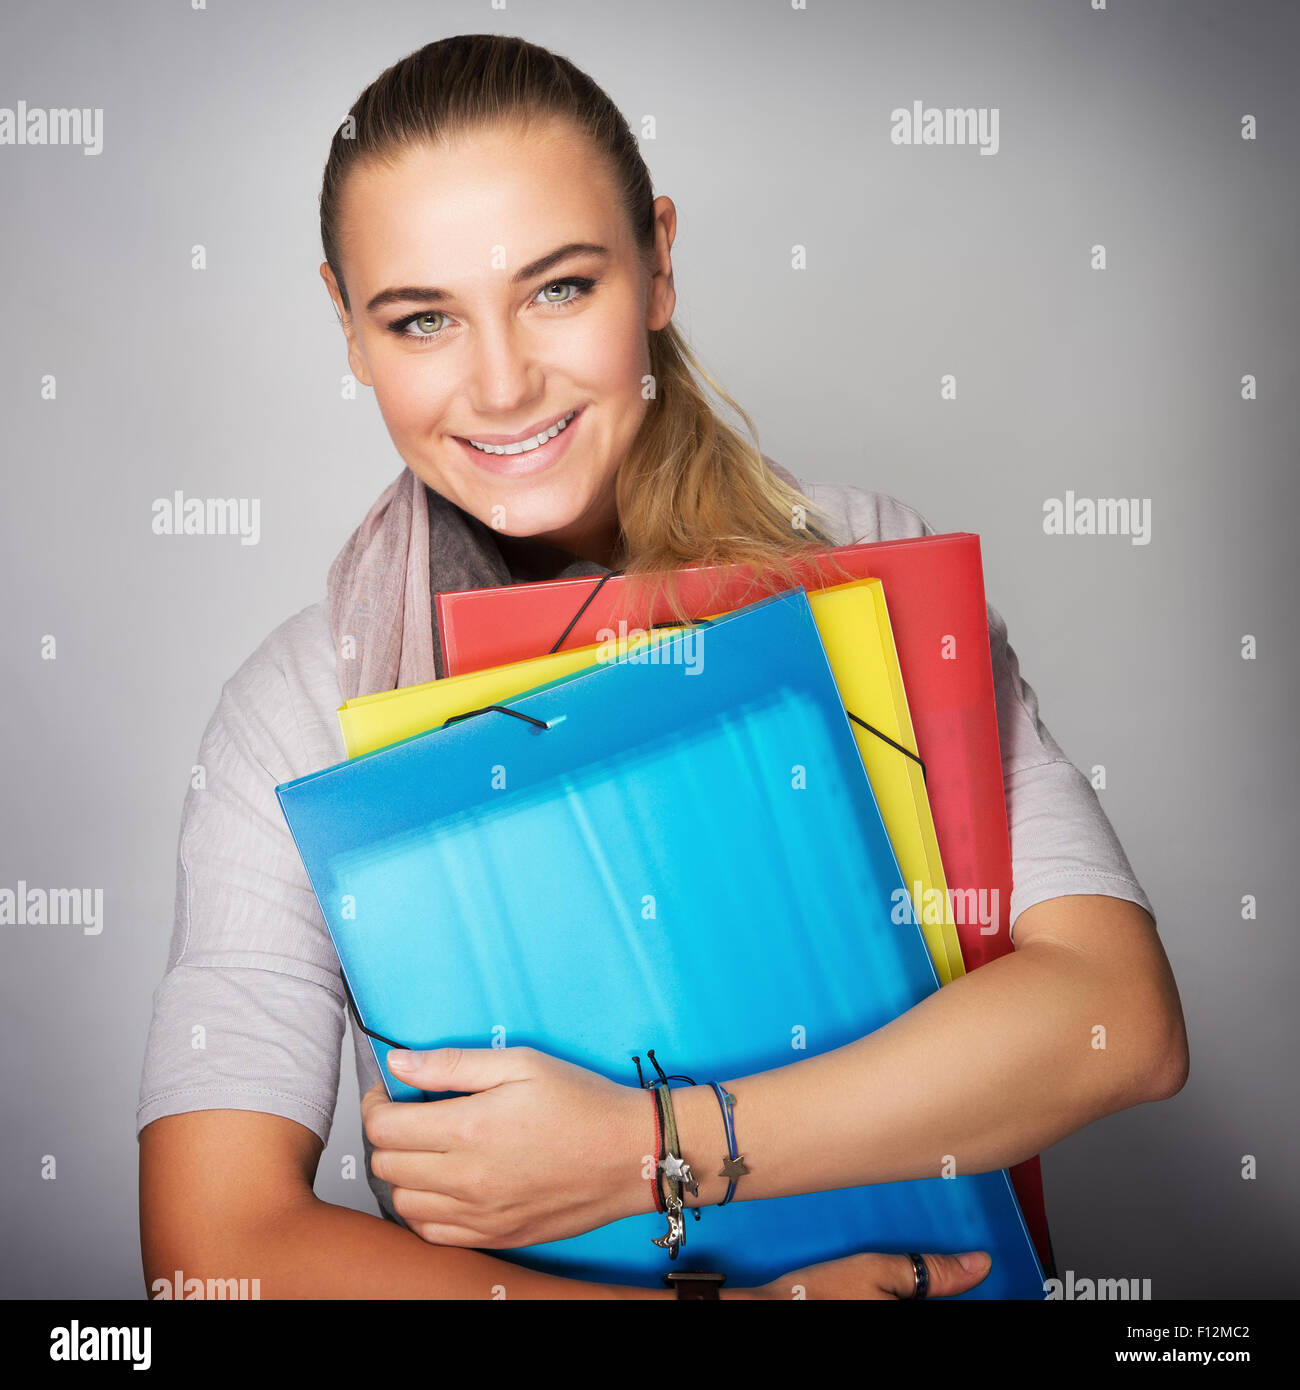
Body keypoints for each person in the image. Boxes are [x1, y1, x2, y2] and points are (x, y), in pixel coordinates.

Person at [136, 33, 1188, 1301]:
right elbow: (211, 1255)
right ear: (350, 334)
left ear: (660, 262)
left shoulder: (872, 569)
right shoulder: (298, 708)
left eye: (560, 288)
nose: (503, 382)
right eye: (422, 318)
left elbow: (1116, 1023)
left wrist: (649, 1151)